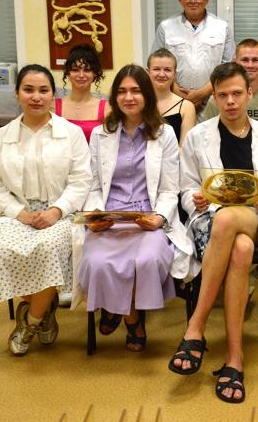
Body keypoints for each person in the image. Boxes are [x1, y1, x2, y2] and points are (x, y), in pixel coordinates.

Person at [168, 62, 258, 404]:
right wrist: (195, 200)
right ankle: (235, 358)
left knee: (228, 222)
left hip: (256, 218)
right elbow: (186, 187)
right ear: (215, 98)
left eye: (237, 93)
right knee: (241, 249)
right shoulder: (198, 136)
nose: (230, 101)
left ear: (249, 93)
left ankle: (196, 327)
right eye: (222, 95)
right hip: (210, 219)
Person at [76, 65, 194, 351]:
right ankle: (132, 317)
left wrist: (160, 218)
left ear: (147, 95)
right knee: (97, 262)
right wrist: (96, 215)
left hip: (147, 215)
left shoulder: (164, 134)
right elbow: (94, 185)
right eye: (122, 91)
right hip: (110, 217)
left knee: (148, 260)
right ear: (114, 97)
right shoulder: (101, 134)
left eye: (136, 91)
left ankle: (117, 309)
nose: (128, 97)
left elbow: (169, 189)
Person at [0, 64, 91, 356]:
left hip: (61, 213)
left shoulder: (72, 133)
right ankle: (46, 309)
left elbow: (81, 180)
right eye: (28, 90)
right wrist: (19, 213)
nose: (36, 97)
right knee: (2, 249)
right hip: (16, 213)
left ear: (53, 94)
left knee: (49, 249)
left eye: (43, 90)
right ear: (17, 94)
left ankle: (30, 321)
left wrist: (56, 210)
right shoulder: (1, 136)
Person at [152, 0, 235, 113]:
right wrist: (179, 93)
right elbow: (155, 65)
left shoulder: (222, 27)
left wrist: (202, 93)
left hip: (213, 102)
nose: (193, 0)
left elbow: (228, 68)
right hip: (173, 101)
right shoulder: (166, 27)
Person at [203, 39, 258, 131]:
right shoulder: (217, 101)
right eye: (245, 60)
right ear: (235, 62)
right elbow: (206, 133)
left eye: (255, 60)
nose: (250, 65)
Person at [55, 44, 110, 143]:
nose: (81, 75)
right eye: (75, 70)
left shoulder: (107, 109)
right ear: (68, 73)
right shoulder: (53, 107)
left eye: (87, 70)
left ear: (95, 73)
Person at [147, 48, 196, 145]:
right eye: (156, 69)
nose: (161, 74)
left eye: (167, 70)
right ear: (148, 72)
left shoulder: (186, 107)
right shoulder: (140, 103)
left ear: (174, 74)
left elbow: (185, 149)